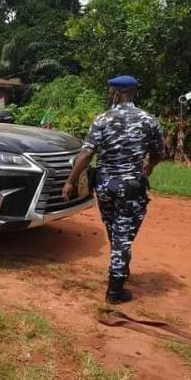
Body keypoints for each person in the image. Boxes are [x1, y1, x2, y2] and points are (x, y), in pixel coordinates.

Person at [62, 75, 164, 304]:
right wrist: (150, 166)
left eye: (110, 91)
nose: (108, 94)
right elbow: (159, 151)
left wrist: (70, 180)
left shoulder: (102, 120)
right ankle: (115, 290)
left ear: (117, 93)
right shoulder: (149, 120)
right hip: (131, 187)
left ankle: (120, 265)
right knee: (123, 236)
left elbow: (87, 153)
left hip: (106, 186)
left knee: (116, 231)